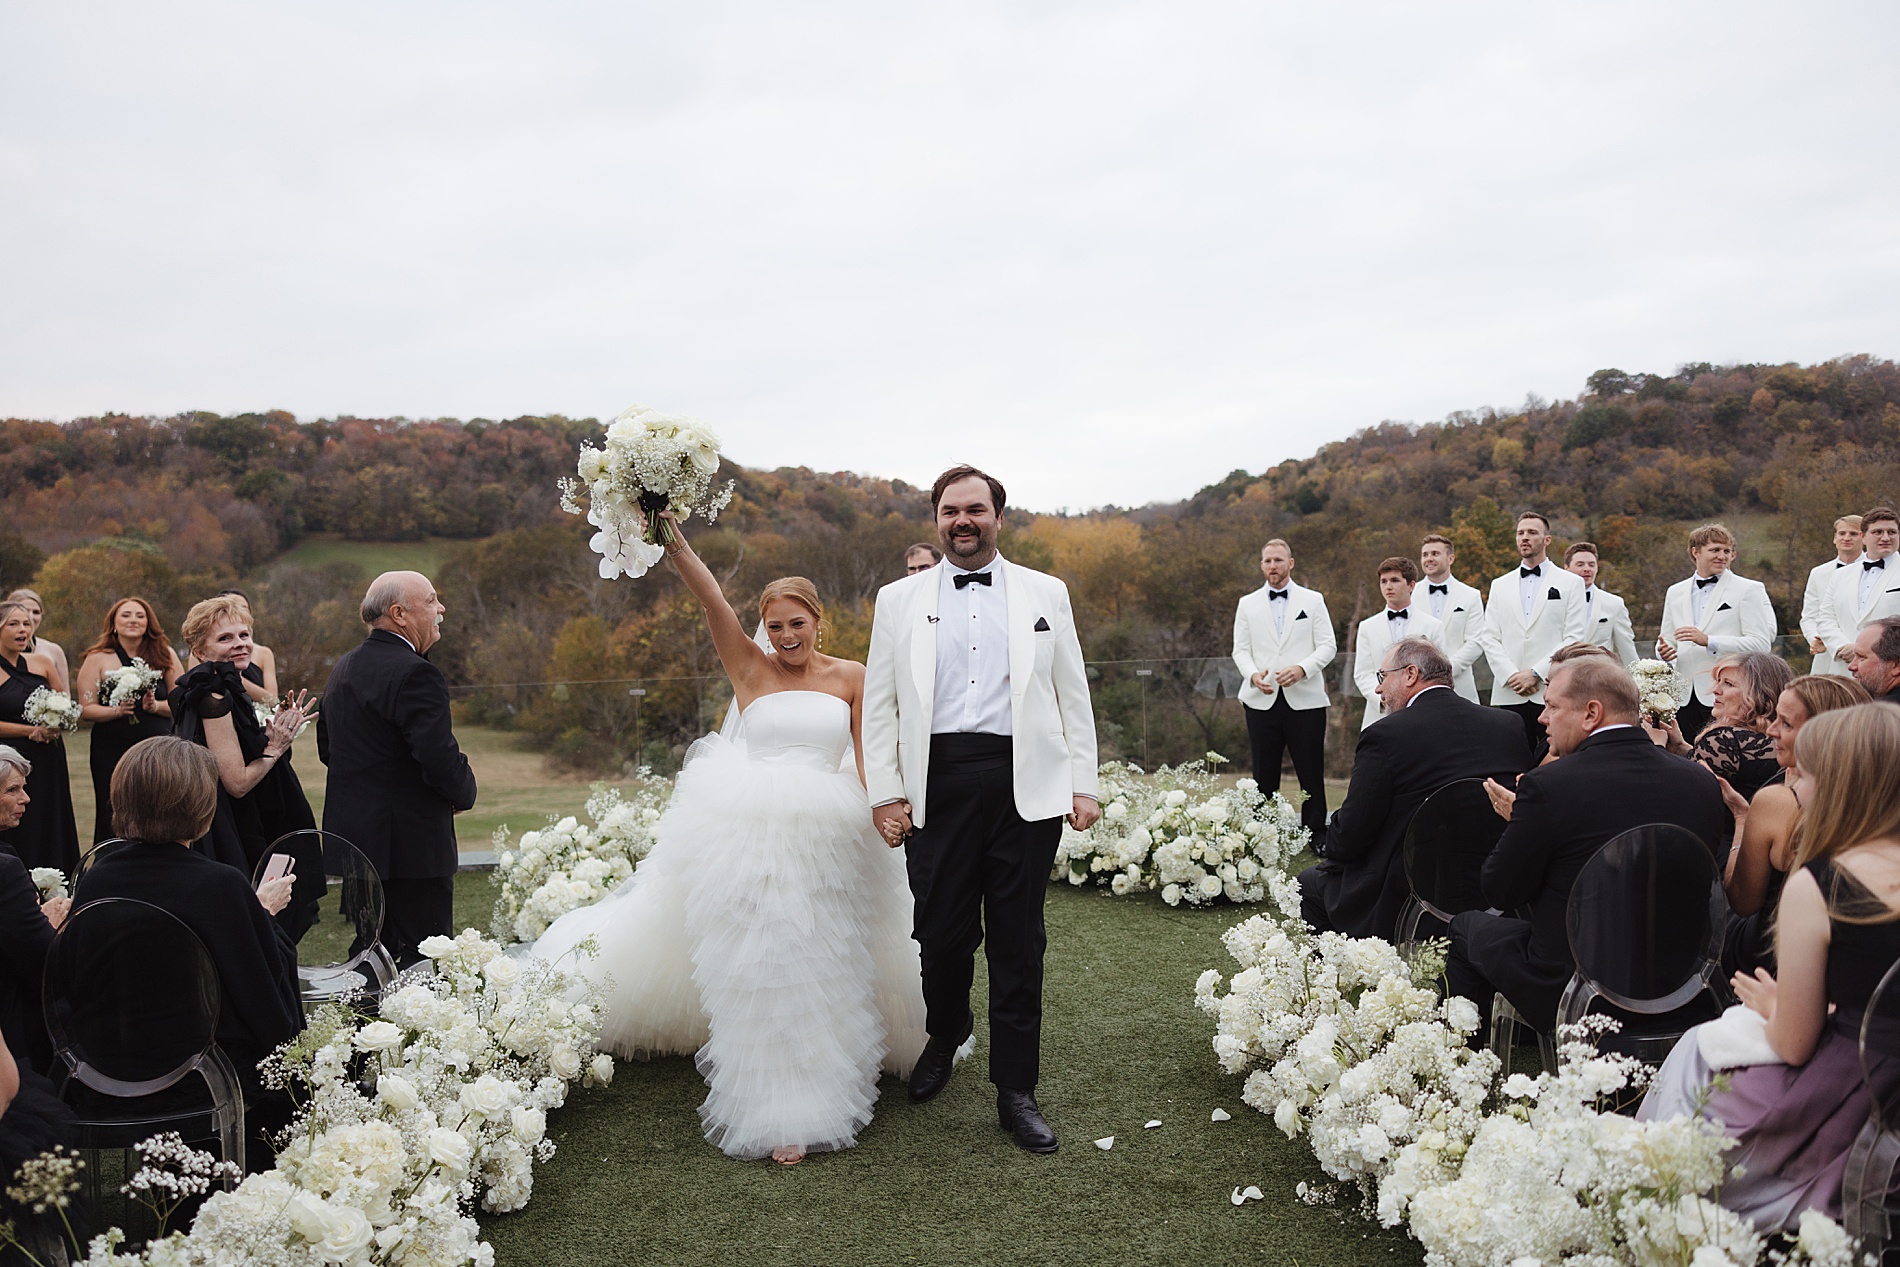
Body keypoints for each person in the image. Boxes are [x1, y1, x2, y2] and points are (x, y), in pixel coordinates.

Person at [533, 525, 926, 1167]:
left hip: (833, 840)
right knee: (771, 969)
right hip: (751, 839)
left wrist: (887, 809)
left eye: (796, 624)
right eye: (774, 626)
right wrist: (675, 541)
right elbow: (712, 599)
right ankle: (786, 1107)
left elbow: (869, 757)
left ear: (818, 621)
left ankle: (858, 1058)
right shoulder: (749, 667)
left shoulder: (853, 676)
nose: (786, 637)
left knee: (830, 962)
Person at [863, 465, 1100, 1155]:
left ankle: (1015, 1089)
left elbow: (1072, 693)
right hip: (936, 783)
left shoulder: (1044, 591)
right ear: (935, 519)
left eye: (974, 509)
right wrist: (885, 791)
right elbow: (879, 704)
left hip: (1023, 788)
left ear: (998, 514)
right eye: (948, 511)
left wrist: (1082, 784)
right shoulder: (897, 600)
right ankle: (947, 1028)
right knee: (939, 935)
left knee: (1018, 943)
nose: (961, 521)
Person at [1638, 705, 1900, 1230]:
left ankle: (1663, 1212)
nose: (1796, 786)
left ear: (1842, 783)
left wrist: (1780, 1005)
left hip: (1860, 1099)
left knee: (1697, 1058)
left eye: (1806, 772)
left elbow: (1796, 1043)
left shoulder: (1823, 884)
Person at [1446, 657, 1729, 1031]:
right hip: (1681, 982)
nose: (1542, 718)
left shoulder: (1549, 786)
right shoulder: (1699, 782)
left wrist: (1520, 823)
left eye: (1552, 706)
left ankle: (1467, 1063)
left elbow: (1500, 890)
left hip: (1577, 986)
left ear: (1591, 713)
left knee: (1466, 925)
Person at [74, 736, 303, 1163]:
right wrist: (262, 917)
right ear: (200, 806)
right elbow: (264, 1001)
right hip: (201, 1074)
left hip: (108, 1069)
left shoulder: (98, 880)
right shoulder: (219, 886)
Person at [1298, 639, 1529, 940]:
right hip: (1495, 891)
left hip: (1405, 895)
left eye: (1382, 677)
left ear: (1410, 674)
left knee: (1308, 883)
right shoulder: (1509, 725)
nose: (1378, 689)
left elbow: (1349, 838)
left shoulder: (1384, 735)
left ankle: (1345, 984)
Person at [317, 572, 476, 969]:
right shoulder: (416, 672)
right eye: (432, 601)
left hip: (359, 844)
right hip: (413, 848)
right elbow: (438, 757)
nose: (441, 610)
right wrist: (462, 793)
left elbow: (328, 749)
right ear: (399, 613)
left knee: (372, 956)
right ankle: (416, 1033)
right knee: (424, 957)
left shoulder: (344, 667)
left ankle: (366, 1030)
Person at [1717, 674, 1869, 977]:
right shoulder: (1880, 796)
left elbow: (1743, 901)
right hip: (1863, 963)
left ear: (1823, 733)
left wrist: (1742, 819)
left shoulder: (1777, 802)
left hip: (1777, 963)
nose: (1771, 731)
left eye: (1785, 724)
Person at [170, 596, 316, 875]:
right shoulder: (214, 696)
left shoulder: (225, 686)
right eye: (225, 638)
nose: (240, 643)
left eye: (244, 635)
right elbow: (237, 782)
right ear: (200, 651)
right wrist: (276, 746)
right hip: (231, 828)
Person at [1230, 539, 1336, 840]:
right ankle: (1261, 836)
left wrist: (1303, 669)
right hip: (1260, 700)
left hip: (1306, 700)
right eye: (1267, 561)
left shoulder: (1313, 600)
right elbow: (1240, 651)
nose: (1272, 566)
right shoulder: (1246, 603)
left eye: (1278, 560)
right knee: (1263, 774)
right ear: (1262, 565)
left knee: (1311, 771)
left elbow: (1329, 645)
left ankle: (1316, 834)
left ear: (1291, 563)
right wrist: (1252, 676)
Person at [1656, 523, 1778, 742]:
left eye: (1727, 551)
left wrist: (1709, 641)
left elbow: (1761, 644)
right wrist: (1664, 652)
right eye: (1715, 550)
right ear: (1696, 552)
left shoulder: (1749, 589)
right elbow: (1667, 641)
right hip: (1683, 696)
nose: (1722, 556)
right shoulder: (1674, 591)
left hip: (1728, 694)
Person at [75, 596, 181, 843]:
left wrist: (155, 706)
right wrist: (117, 711)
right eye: (126, 615)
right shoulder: (97, 657)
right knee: (113, 808)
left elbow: (181, 702)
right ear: (113, 623)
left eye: (139, 616)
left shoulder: (165, 654)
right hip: (111, 748)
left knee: (160, 805)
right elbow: (86, 708)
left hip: (158, 745)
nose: (133, 620)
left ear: (148, 623)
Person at [1480, 511, 1588, 750]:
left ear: (1547, 540)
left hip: (1553, 688)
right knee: (1513, 754)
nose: (1524, 538)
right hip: (1510, 691)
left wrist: (1536, 672)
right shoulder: (1499, 585)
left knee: (1556, 755)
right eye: (1520, 533)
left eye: (1532, 533)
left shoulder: (1571, 583)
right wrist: (1511, 675)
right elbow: (1489, 637)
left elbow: (1574, 636)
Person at [0, 746, 70, 1076]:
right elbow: (44, 961)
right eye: (13, 790)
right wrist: (51, 923)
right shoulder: (6, 870)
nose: (26, 798)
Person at [1646, 651, 1793, 802]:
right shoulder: (1779, 741)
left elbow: (1670, 788)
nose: (1715, 690)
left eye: (1729, 684)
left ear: (1758, 694)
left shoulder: (1725, 740)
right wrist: (1680, 747)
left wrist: (1656, 747)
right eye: (1718, 681)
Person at [0, 601, 79, 877]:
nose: (23, 629)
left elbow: (64, 701)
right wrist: (28, 731)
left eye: (26, 624)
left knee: (50, 818)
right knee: (20, 823)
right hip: (9, 760)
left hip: (49, 758)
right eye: (14, 624)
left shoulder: (43, 663)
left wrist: (57, 722)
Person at [1352, 557, 1443, 731]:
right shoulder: (1367, 627)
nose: (1388, 586)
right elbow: (1362, 673)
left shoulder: (1433, 626)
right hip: (1379, 714)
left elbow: (1437, 673)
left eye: (1394, 580)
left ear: (1411, 585)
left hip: (1421, 713)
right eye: (1383, 581)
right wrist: (1382, 698)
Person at [1813, 506, 1900, 680]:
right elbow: (1825, 617)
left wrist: (1863, 651)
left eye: (1892, 532)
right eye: (1877, 532)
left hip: (1890, 672)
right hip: (1843, 671)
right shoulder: (1840, 575)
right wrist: (1840, 646)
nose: (1885, 537)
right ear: (1863, 537)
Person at [1418, 534, 1487, 703]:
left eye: (1435, 553)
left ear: (1451, 558)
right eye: (1425, 555)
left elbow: (1476, 641)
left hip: (1460, 686)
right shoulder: (1410, 595)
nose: (1429, 559)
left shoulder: (1471, 595)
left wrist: (1446, 670)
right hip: (1418, 685)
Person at [1800, 515, 1863, 676]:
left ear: (1864, 537)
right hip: (1827, 656)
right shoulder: (1818, 573)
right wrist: (1820, 640)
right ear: (1834, 538)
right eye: (1842, 533)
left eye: (1854, 534)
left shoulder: (1873, 570)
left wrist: (1855, 646)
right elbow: (1809, 616)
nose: (1847, 538)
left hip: (1864, 655)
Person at [1563, 542, 1638, 666]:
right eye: (1580, 564)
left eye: (1591, 564)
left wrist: (1639, 679)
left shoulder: (1614, 603)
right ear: (1566, 568)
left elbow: (1626, 648)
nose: (1587, 569)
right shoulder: (1553, 601)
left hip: (1601, 678)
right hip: (1561, 678)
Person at [3, 591, 67, 695]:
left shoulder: (53, 651)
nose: (31, 616)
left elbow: (64, 696)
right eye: (26, 611)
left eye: (36, 612)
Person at [1847, 615, 1900, 703]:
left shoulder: (1878, 714)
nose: (1851, 666)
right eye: (1854, 656)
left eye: (1861, 657)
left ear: (1896, 665)